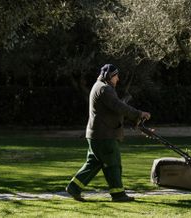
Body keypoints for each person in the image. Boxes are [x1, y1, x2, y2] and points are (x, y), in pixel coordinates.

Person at [65, 64, 151, 202]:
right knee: (113, 164)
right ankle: (118, 194)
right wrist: (139, 114)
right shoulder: (105, 89)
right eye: (116, 76)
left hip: (96, 135)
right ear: (109, 76)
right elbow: (119, 107)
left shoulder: (98, 86)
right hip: (105, 136)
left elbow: (113, 111)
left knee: (93, 163)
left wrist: (136, 123)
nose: (118, 79)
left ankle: (74, 188)